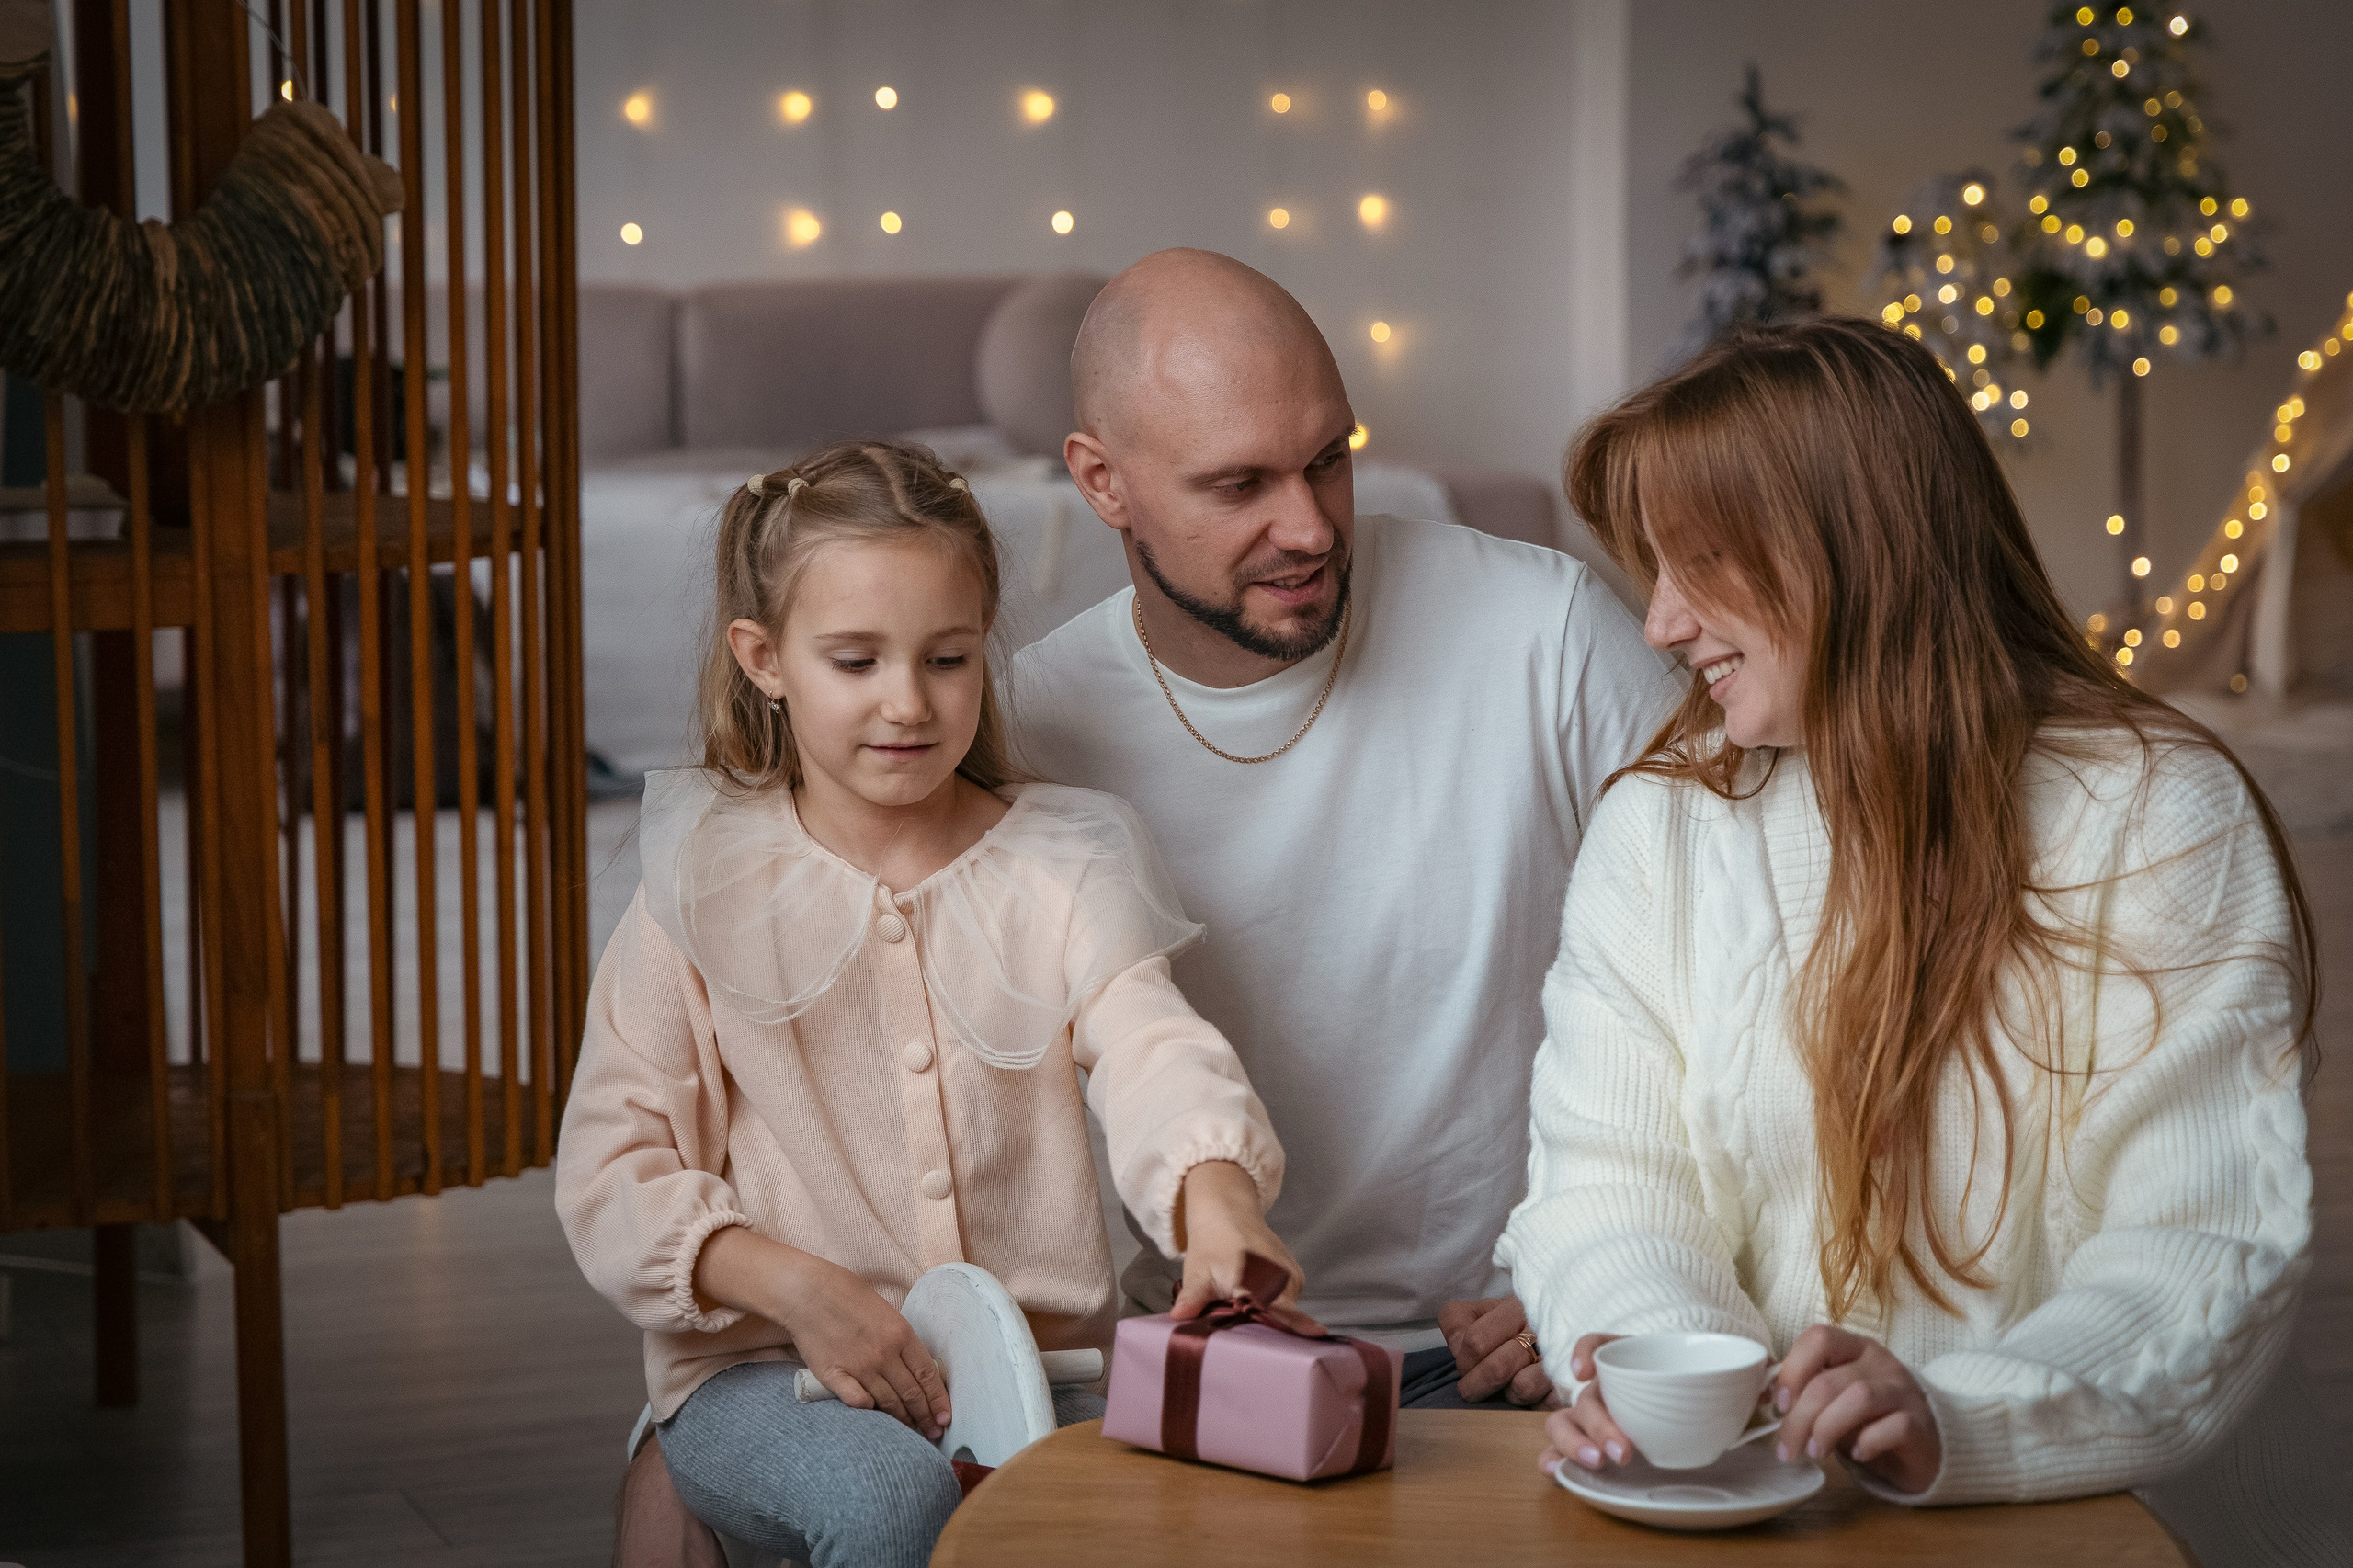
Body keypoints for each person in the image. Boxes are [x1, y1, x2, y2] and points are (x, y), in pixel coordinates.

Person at [1502, 318, 2347, 1562]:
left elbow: (2201, 1243)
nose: (1661, 625)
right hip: (1774, 1516)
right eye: (1651, 572)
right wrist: (1694, 1400)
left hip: (2128, 1521)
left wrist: (1955, 1418)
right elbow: (1610, 1191)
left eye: (1700, 566)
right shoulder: (1660, 826)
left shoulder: (2160, 810)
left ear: (1846, 552)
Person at [556, 439, 1292, 1568]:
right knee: (893, 1506)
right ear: (764, 659)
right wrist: (795, 1284)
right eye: (854, 660)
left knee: (1212, 1515)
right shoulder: (699, 884)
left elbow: (1153, 1043)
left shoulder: (1061, 862)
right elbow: (611, 1171)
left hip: (1044, 1377)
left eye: (946, 658)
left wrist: (1217, 1196)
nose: (907, 703)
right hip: (767, 1373)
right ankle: (670, 1469)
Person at [1010, 249, 1683, 1407]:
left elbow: (1737, 968)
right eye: (1238, 486)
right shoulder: (1029, 725)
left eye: (1329, 461)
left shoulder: (1544, 628)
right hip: (1192, 1354)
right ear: (1102, 480)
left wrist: (1603, 1268)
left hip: (1520, 1338)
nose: (1310, 526)